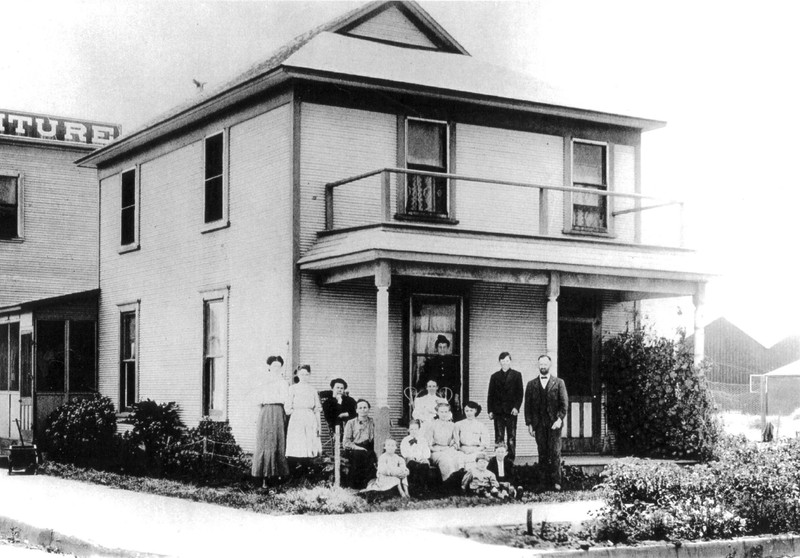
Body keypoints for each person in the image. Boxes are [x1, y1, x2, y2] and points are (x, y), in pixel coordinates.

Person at [524, 354, 568, 491]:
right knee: (542, 452)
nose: (543, 366)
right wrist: (530, 424)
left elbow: (564, 403)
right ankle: (543, 483)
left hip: (554, 424)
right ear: (538, 365)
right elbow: (528, 406)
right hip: (539, 425)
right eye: (541, 364)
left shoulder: (559, 382)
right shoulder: (531, 384)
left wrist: (559, 419)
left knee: (555, 453)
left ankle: (556, 482)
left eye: (545, 364)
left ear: (550, 365)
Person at [251, 355, 290, 488]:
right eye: (274, 366)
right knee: (265, 442)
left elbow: (286, 401)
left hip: (279, 412)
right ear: (269, 367)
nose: (276, 368)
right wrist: (257, 417)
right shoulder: (263, 381)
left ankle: (276, 476)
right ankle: (262, 477)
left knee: (278, 442)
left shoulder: (284, 383)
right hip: (266, 412)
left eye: (279, 366)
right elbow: (257, 401)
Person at [487, 351, 524, 461]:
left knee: (511, 437)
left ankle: (510, 460)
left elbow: (520, 393)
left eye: (507, 361)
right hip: (498, 412)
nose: (505, 363)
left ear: (510, 361)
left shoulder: (517, 375)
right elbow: (490, 394)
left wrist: (516, 407)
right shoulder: (494, 376)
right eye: (502, 361)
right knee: (499, 436)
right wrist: (490, 410)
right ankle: (499, 460)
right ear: (499, 362)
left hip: (511, 412)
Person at [285, 364, 322, 460]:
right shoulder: (293, 388)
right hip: (297, 418)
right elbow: (287, 407)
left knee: (308, 445)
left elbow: (317, 409)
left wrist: (319, 426)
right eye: (302, 374)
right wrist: (296, 412)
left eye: (306, 374)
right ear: (297, 375)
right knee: (297, 444)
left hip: (310, 418)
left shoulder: (313, 390)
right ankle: (294, 471)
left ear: (309, 375)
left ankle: (306, 470)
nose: (304, 377)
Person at [417, 334, 461, 414]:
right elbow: (424, 378)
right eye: (440, 347)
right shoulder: (430, 362)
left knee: (450, 413)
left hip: (450, 393)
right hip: (435, 393)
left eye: (444, 347)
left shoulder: (453, 362)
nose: (442, 349)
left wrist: (457, 395)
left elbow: (457, 380)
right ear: (437, 348)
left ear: (447, 348)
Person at [423, 402, 464, 483]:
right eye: (441, 412)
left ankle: (460, 481)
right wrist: (438, 450)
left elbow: (456, 442)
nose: (444, 414)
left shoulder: (452, 425)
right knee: (446, 459)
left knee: (459, 456)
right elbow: (428, 444)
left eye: (446, 412)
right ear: (437, 413)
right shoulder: (432, 425)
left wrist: (452, 448)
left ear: (449, 413)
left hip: (449, 449)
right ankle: (448, 482)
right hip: (436, 451)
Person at [342, 399, 377, 489]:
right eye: (360, 408)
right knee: (359, 456)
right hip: (355, 448)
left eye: (365, 407)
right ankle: (356, 487)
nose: (363, 409)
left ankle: (370, 485)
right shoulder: (351, 423)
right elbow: (346, 442)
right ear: (356, 410)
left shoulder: (373, 422)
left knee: (373, 456)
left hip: (370, 447)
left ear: (369, 409)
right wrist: (357, 447)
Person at [454, 401, 490, 468]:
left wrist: (474, 450)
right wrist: (461, 449)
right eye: (467, 411)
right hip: (462, 450)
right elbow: (456, 441)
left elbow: (485, 444)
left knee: (474, 461)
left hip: (476, 450)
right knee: (458, 460)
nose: (469, 413)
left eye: (471, 410)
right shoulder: (458, 424)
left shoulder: (481, 425)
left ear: (475, 411)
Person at [400, 419, 432, 495]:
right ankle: (413, 489)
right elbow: (404, 452)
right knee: (413, 465)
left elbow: (426, 450)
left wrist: (424, 458)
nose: (414, 431)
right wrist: (411, 457)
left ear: (419, 430)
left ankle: (422, 489)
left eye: (416, 429)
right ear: (408, 430)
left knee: (424, 466)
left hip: (421, 459)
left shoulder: (422, 439)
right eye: (411, 429)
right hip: (411, 460)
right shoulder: (405, 440)